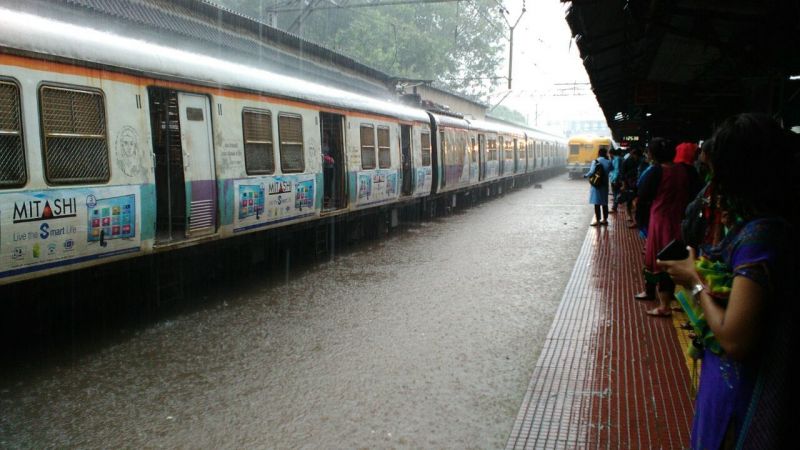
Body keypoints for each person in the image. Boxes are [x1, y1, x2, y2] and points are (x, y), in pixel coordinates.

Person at [658, 113, 797, 449]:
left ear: (737, 173)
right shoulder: (775, 226)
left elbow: (734, 339)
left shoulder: (758, 238)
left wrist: (692, 280)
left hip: (743, 393)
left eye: (714, 169)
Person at [635, 138, 698, 310]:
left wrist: (640, 221)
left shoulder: (655, 171)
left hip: (659, 221)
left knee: (656, 259)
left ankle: (660, 303)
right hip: (679, 220)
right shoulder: (686, 170)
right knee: (675, 257)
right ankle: (671, 297)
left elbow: (643, 196)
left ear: (653, 154)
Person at [583, 147, 612, 226]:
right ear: (606, 153)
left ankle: (598, 220)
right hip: (604, 185)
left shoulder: (596, 161)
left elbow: (592, 172)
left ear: (599, 153)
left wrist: (586, 176)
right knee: (604, 203)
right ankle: (605, 220)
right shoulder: (609, 162)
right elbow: (611, 171)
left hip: (597, 185)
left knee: (597, 203)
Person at [609, 148, 624, 213]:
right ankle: (614, 206)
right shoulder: (617, 159)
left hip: (616, 179)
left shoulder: (617, 159)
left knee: (616, 193)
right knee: (616, 193)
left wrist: (615, 179)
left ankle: (614, 207)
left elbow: (617, 170)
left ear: (611, 153)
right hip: (615, 178)